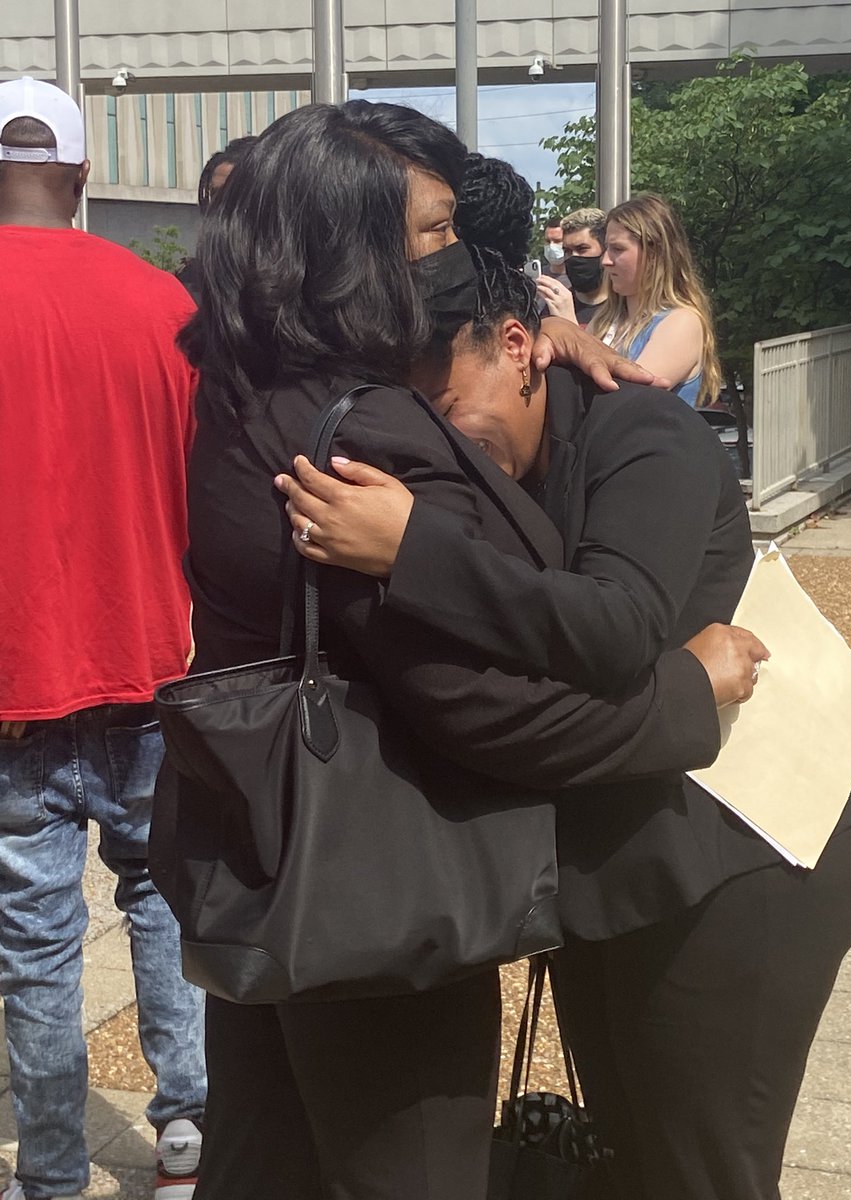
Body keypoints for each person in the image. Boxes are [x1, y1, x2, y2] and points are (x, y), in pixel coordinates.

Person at [152, 100, 764, 1200]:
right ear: (347, 247)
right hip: (373, 888)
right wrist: (686, 693)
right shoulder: (364, 435)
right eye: (434, 233)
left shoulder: (244, 384)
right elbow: (492, 708)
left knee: (262, 1161)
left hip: (264, 852)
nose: (457, 258)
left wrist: (554, 338)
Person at [275, 153, 851, 1200]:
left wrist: (413, 547)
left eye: (446, 400)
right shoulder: (499, 453)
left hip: (751, 851)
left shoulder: (646, 434)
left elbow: (618, 623)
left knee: (703, 1171)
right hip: (624, 860)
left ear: (518, 347)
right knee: (635, 1164)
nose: (439, 442)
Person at [0, 77, 206, 1200]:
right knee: (164, 899)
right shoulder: (165, 307)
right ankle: (187, 1135)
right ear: (80, 178)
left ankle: (51, 1172)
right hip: (149, 661)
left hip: (13, 681)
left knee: (34, 945)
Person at [588, 191, 721, 406]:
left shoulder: (681, 322)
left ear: (654, 254)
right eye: (606, 249)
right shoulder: (605, 320)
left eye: (618, 249)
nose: (605, 261)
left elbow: (627, 402)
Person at [176, 135, 258, 300]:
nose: (222, 206)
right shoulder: (190, 283)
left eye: (235, 194)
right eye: (216, 194)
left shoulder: (298, 280)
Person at [536, 205, 607, 326]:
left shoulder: (625, 309)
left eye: (582, 249)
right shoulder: (555, 307)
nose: (573, 257)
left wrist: (570, 325)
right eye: (567, 251)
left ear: (605, 249)